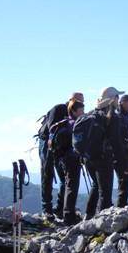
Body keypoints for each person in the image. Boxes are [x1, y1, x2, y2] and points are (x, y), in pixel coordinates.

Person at [84, 87, 126, 219]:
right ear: (113, 99)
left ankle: (88, 215)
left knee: (96, 185)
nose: (118, 101)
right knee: (105, 191)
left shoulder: (92, 113)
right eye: (117, 98)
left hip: (88, 157)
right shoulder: (112, 116)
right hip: (103, 158)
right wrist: (123, 163)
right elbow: (116, 142)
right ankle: (102, 222)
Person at [38, 95, 80, 219]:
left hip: (60, 146)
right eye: (79, 101)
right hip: (47, 143)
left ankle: (60, 208)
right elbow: (51, 129)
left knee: (63, 178)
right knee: (47, 174)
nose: (81, 103)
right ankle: (47, 209)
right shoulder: (59, 109)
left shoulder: (74, 113)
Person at [49, 96, 85, 225]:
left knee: (69, 185)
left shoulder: (66, 123)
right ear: (74, 111)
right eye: (81, 110)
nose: (83, 112)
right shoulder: (74, 124)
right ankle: (69, 216)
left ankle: (67, 214)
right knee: (72, 187)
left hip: (63, 158)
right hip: (72, 159)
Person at [114, 94, 128, 207]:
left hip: (118, 156)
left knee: (123, 185)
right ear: (123, 103)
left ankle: (119, 209)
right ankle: (120, 209)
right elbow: (120, 141)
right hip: (122, 157)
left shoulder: (121, 119)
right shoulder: (120, 119)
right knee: (124, 186)